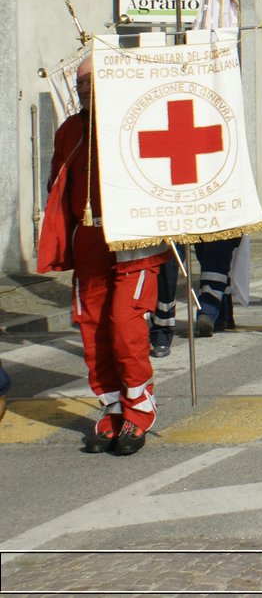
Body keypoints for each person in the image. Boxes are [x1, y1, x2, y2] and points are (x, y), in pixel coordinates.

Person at [38, 57, 169, 455]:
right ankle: (112, 408)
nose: (86, 90)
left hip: (133, 238)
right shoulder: (71, 130)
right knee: (92, 324)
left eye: (94, 82)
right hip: (89, 237)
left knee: (124, 322)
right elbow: (57, 181)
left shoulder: (135, 119)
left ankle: (139, 411)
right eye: (81, 84)